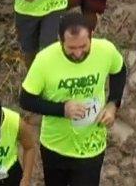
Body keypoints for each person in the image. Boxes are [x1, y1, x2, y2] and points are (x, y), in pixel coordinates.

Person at [19, 13, 126, 186]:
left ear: (91, 36)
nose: (77, 53)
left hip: (91, 146)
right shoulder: (45, 60)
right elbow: (26, 100)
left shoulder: (106, 50)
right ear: (60, 41)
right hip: (55, 146)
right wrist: (62, 110)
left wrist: (113, 103)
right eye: (71, 48)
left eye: (83, 46)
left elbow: (119, 70)